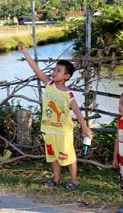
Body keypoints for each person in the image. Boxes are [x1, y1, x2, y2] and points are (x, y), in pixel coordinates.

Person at [18, 44, 92, 190]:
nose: (54, 72)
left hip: (63, 131)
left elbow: (76, 110)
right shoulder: (48, 84)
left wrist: (84, 128)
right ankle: (56, 179)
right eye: (54, 70)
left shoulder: (68, 94)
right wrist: (25, 53)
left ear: (66, 76)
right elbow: (36, 69)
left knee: (68, 156)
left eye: (58, 71)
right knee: (53, 155)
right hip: (49, 129)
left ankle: (74, 180)